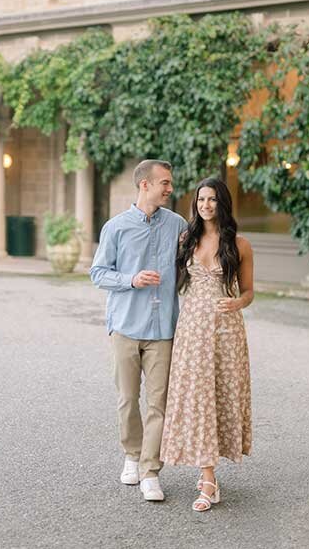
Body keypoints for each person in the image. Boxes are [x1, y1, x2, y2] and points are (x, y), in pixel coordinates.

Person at [90, 159, 187, 501]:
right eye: (165, 182)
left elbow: (195, 263)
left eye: (170, 183)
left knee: (158, 404)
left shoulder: (178, 225)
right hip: (126, 327)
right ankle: (132, 454)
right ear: (145, 184)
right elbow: (98, 273)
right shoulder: (115, 228)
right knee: (128, 400)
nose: (170, 188)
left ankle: (150, 471)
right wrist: (131, 280)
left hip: (163, 329)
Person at [160, 177, 253, 512]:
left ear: (222, 203)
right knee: (197, 398)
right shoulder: (187, 238)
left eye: (212, 199)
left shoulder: (239, 244)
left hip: (227, 329)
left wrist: (237, 303)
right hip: (192, 329)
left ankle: (209, 478)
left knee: (221, 395)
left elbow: (249, 292)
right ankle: (208, 478)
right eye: (201, 199)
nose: (206, 205)